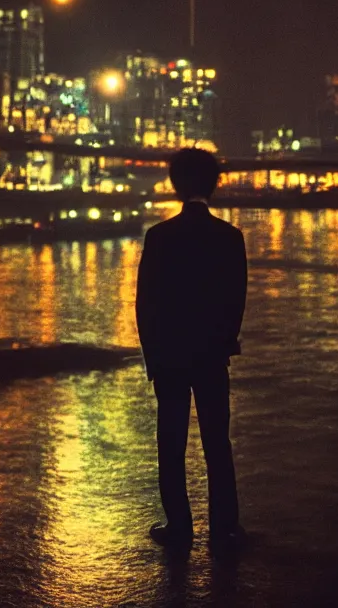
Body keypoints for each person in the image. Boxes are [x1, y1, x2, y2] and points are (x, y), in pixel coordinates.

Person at [136, 148, 246, 552]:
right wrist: (223, 344)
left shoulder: (159, 236)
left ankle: (178, 525)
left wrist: (153, 357)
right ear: (214, 185)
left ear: (175, 184)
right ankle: (225, 526)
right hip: (212, 355)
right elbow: (237, 300)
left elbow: (145, 303)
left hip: (170, 356)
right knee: (218, 441)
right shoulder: (230, 237)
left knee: (171, 441)